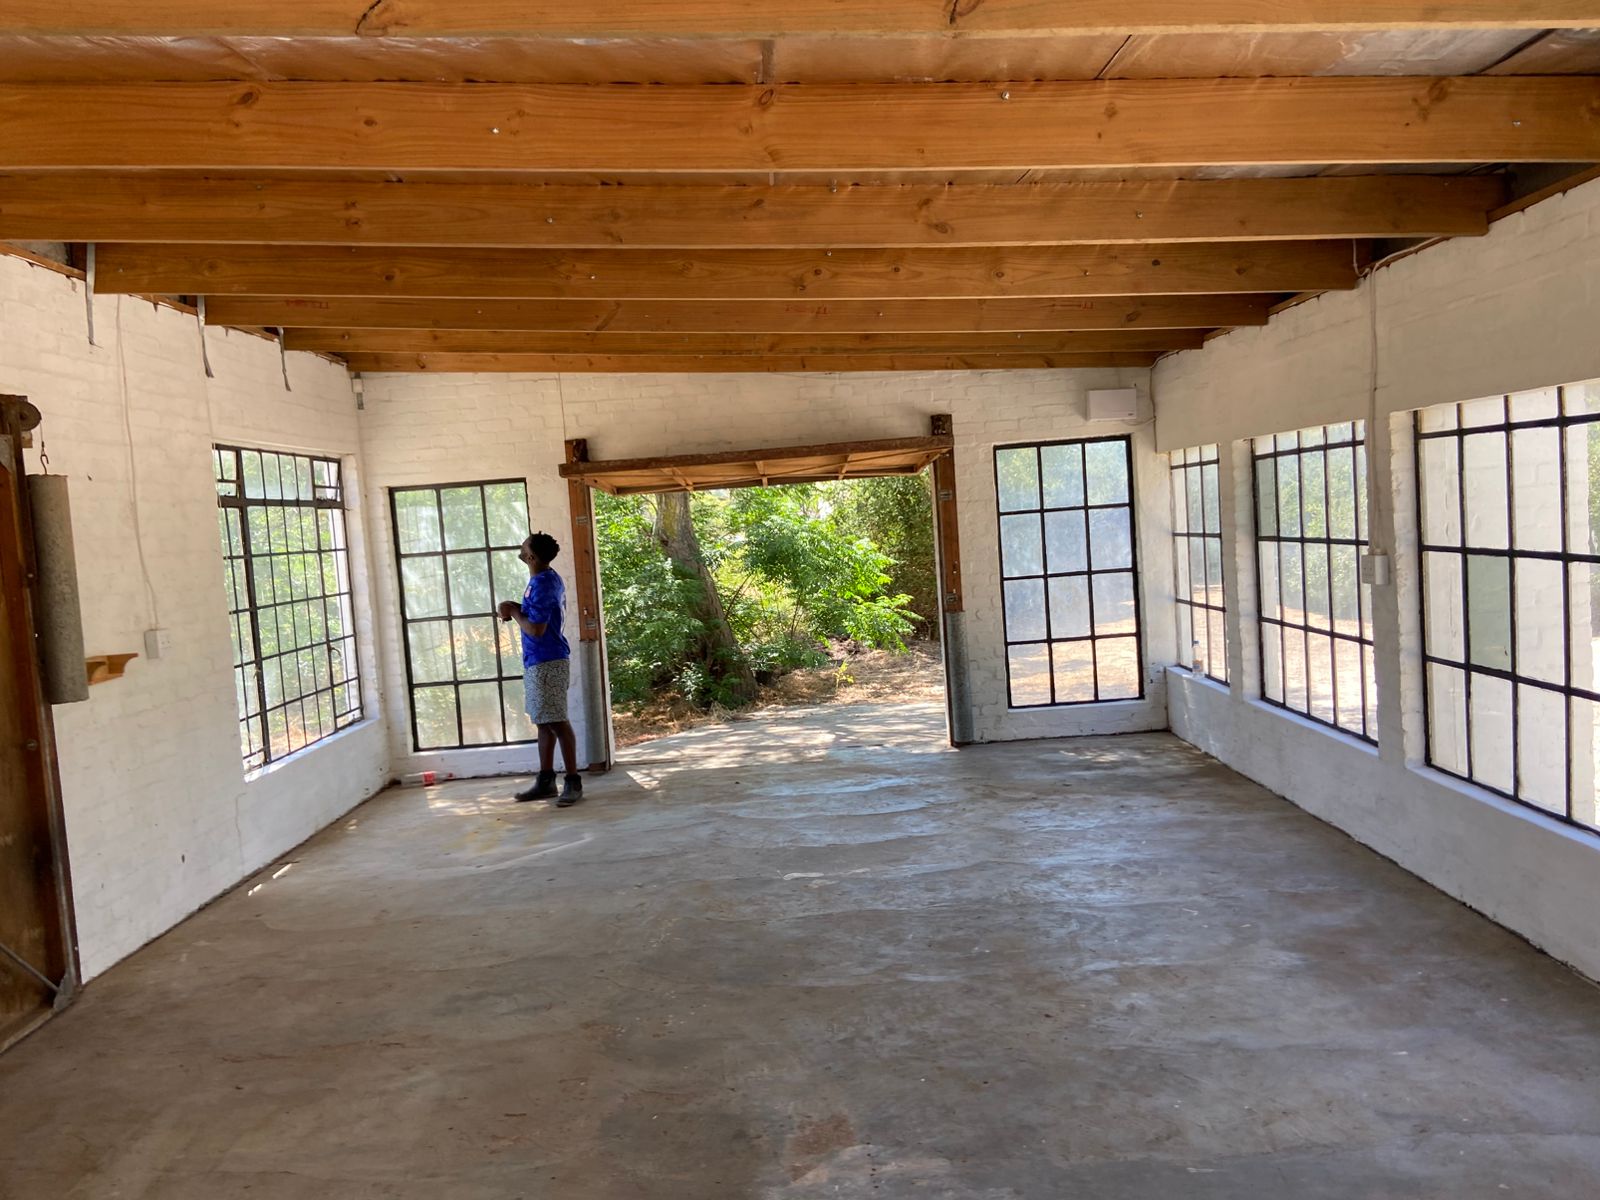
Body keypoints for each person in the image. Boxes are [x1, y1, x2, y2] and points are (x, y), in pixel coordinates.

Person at [497, 531, 583, 807]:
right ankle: (546, 781)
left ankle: (573, 781)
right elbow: (535, 616)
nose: (520, 549)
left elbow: (536, 629)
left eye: (524, 547)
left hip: (548, 661)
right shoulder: (543, 579)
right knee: (544, 721)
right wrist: (515, 607)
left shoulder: (544, 583)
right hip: (539, 661)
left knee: (557, 721)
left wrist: (514, 612)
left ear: (531, 556)